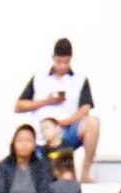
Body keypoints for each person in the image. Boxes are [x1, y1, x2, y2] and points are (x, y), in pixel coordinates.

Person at [14, 37, 98, 184]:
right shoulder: (39, 78)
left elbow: (86, 108)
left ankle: (85, 173)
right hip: (42, 136)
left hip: (66, 133)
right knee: (44, 181)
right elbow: (19, 106)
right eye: (59, 61)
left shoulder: (80, 79)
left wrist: (66, 122)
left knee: (93, 123)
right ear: (53, 58)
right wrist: (47, 101)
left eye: (66, 62)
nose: (62, 66)